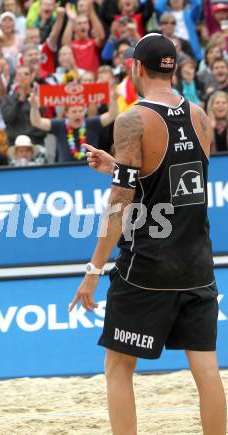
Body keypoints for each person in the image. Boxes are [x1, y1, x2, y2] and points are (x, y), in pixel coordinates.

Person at [69, 34, 227, 435]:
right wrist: (117, 165)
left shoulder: (132, 119)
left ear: (137, 68)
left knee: (118, 367)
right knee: (207, 369)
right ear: (172, 67)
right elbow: (172, 180)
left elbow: (120, 204)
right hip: (197, 262)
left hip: (149, 266)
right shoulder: (200, 115)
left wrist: (93, 268)